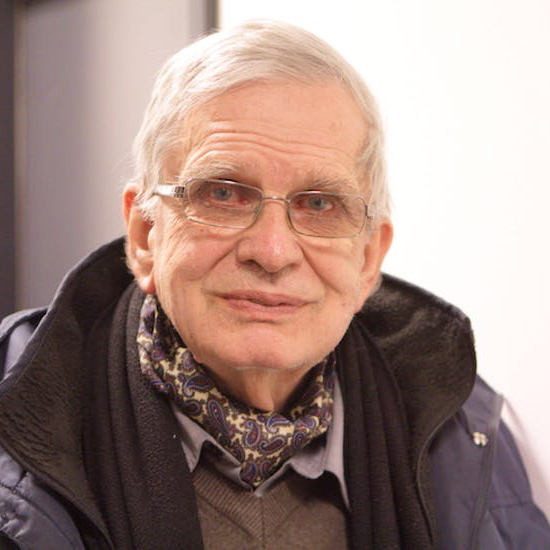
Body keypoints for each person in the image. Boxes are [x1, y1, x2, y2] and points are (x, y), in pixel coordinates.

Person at [0, 20, 548, 550]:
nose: (272, 251)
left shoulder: (468, 436)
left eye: (320, 204)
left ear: (368, 260)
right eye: (223, 193)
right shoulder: (15, 431)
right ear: (145, 234)